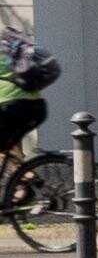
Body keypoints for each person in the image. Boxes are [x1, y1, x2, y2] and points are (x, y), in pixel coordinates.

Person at [0, 23, 58, 164]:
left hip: (10, 106)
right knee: (7, 148)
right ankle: (24, 181)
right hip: (35, 106)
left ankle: (24, 179)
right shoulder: (7, 46)